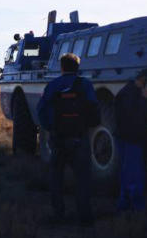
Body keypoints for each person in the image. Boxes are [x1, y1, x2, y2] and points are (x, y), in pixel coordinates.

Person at [36, 52, 101, 225]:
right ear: (78, 67)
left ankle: (59, 214)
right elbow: (94, 110)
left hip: (58, 139)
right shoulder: (85, 85)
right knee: (82, 179)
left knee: (56, 178)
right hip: (80, 138)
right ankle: (85, 217)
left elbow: (41, 110)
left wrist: (50, 129)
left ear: (62, 67)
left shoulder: (53, 85)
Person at [114, 69, 147, 214]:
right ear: (145, 82)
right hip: (131, 139)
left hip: (130, 138)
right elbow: (133, 118)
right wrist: (145, 99)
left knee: (128, 172)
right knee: (133, 173)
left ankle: (125, 203)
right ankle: (134, 206)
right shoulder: (130, 94)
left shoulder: (130, 92)